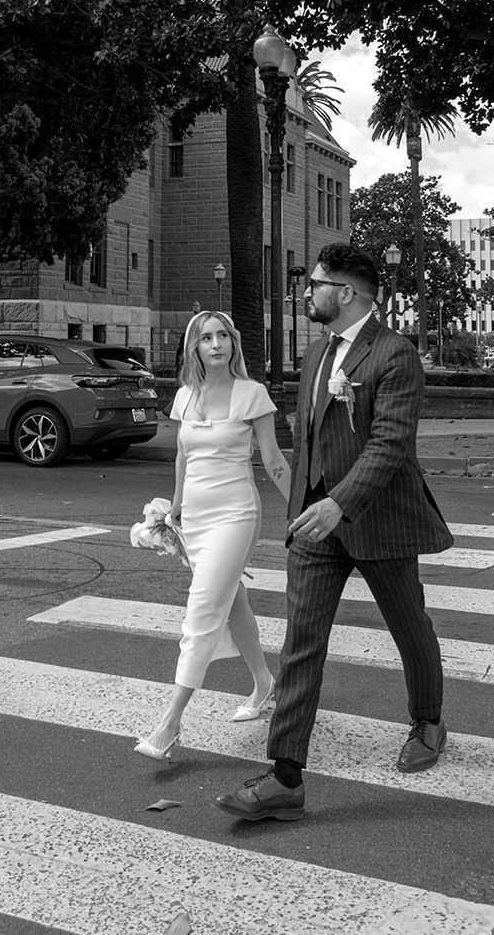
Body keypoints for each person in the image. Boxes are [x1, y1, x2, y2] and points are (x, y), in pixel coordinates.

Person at [215, 242, 454, 822]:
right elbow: (309, 438)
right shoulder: (318, 351)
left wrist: (339, 504)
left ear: (345, 293)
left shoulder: (395, 355)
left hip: (378, 519)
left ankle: (428, 721)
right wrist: (304, 508)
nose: (306, 291)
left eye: (315, 284)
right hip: (315, 526)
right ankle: (285, 778)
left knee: (409, 626)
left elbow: (390, 445)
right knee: (301, 642)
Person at [133, 310, 292, 762]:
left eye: (223, 335)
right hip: (197, 519)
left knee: (202, 609)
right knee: (233, 601)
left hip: (236, 515)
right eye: (207, 338)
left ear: (233, 343)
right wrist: (175, 508)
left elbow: (273, 460)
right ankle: (264, 682)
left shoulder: (252, 393)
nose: (217, 344)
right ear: (195, 348)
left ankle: (169, 724)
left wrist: (304, 510)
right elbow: (183, 456)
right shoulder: (185, 396)